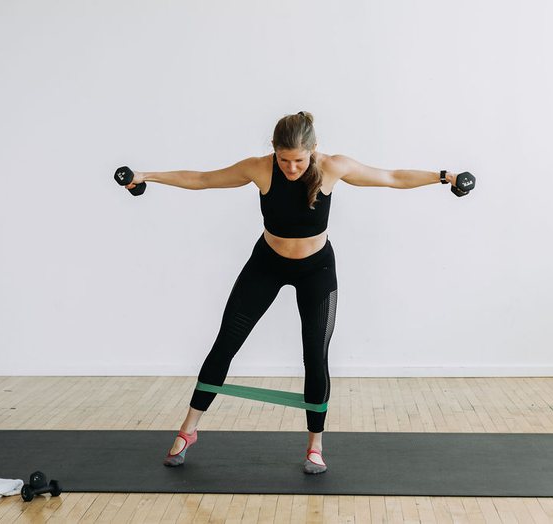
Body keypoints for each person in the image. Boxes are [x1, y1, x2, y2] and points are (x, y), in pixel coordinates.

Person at [123, 111, 462, 474]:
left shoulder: (332, 167)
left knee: (315, 356)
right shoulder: (260, 168)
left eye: (299, 160)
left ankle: (315, 445)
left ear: (314, 149)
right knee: (225, 344)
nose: (291, 167)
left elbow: (392, 177)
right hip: (267, 264)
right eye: (284, 160)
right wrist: (146, 176)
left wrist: (445, 177)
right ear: (274, 149)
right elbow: (203, 179)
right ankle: (188, 430)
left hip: (317, 270)